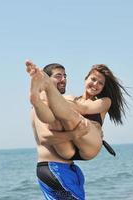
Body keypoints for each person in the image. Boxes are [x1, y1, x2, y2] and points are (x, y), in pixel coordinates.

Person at [26, 60, 129, 162]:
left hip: (89, 147)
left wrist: (51, 96)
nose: (95, 84)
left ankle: (46, 87)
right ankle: (38, 100)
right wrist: (42, 100)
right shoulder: (70, 99)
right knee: (55, 115)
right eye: (93, 79)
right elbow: (46, 135)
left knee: (71, 115)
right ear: (86, 79)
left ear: (103, 87)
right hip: (67, 151)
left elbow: (84, 108)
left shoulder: (104, 101)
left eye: (100, 83)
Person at [28, 62, 90, 200]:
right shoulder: (42, 105)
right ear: (46, 80)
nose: (63, 80)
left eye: (65, 76)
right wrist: (76, 133)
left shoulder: (59, 106)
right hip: (54, 168)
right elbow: (45, 137)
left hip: (64, 169)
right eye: (58, 76)